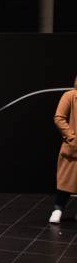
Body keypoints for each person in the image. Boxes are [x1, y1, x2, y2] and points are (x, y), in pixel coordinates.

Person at [50, 75, 77, 223]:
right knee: (66, 181)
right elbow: (59, 118)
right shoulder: (69, 96)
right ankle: (58, 209)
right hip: (73, 147)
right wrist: (71, 137)